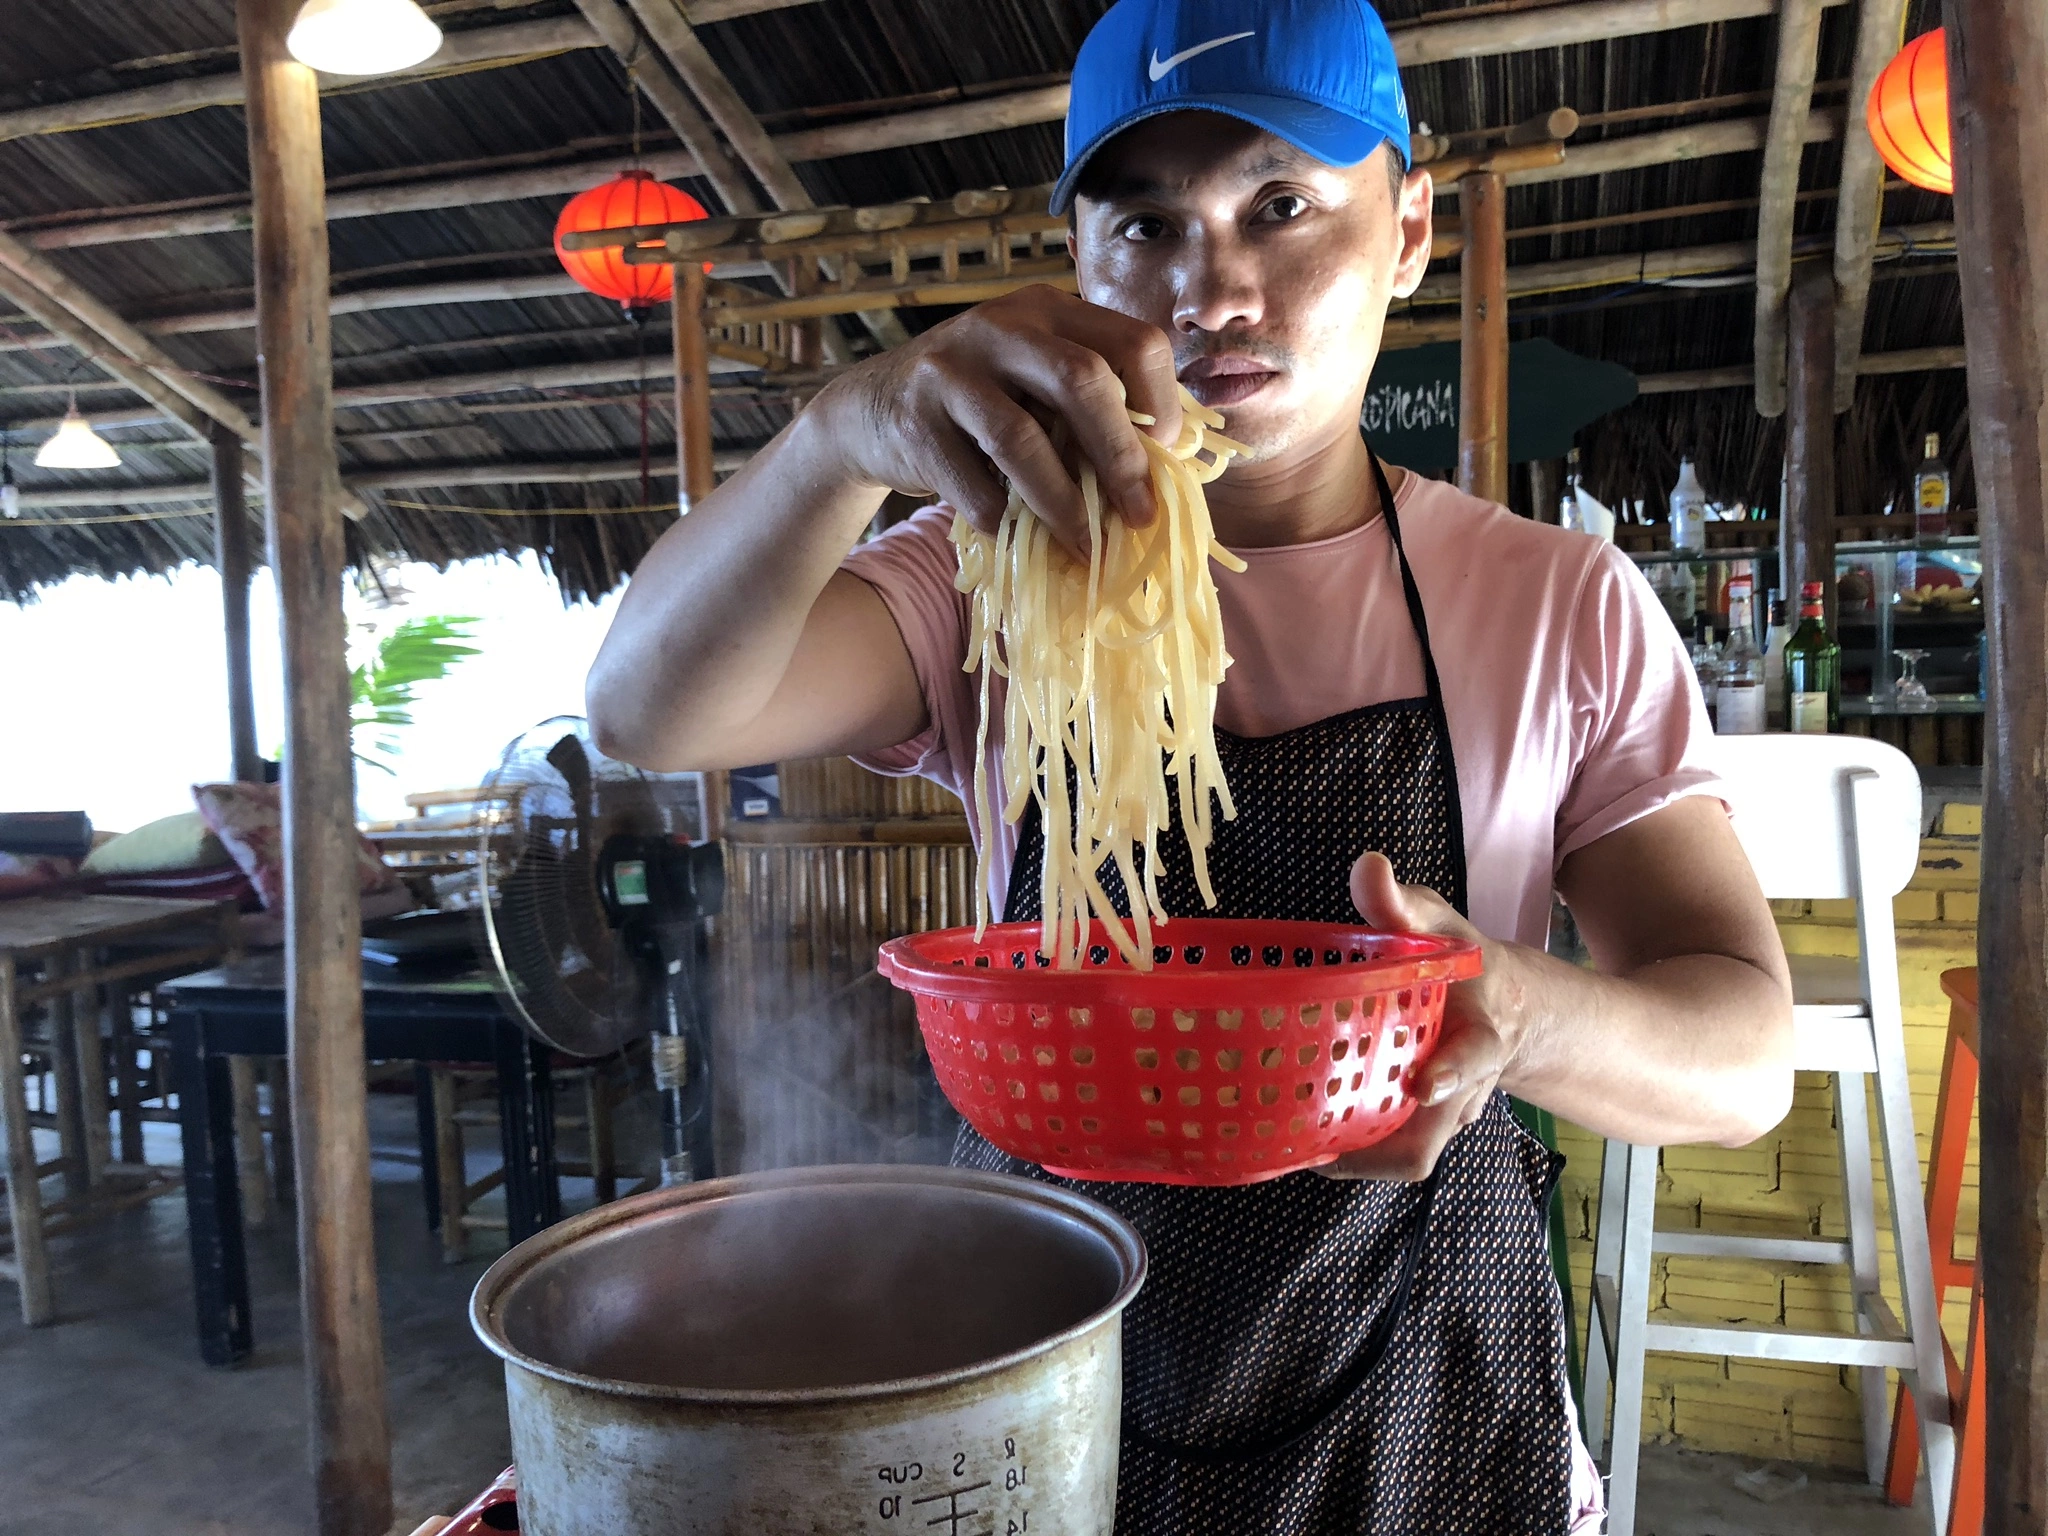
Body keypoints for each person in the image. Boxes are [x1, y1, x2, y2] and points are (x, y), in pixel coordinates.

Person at [586, 0, 1795, 1528]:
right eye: (1146, 225)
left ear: (1408, 230)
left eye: (1280, 206)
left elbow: (1744, 1056)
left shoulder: (1555, 602)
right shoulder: (986, 572)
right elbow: (648, 713)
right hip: (1052, 1354)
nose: (1211, 292)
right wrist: (839, 439)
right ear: (1080, 263)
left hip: (1429, 1379)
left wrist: (1516, 1007)